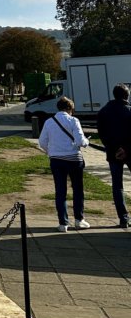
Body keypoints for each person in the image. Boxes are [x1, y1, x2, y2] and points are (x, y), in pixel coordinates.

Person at [38, 96, 91, 232]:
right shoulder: (73, 121)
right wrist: (86, 142)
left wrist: (51, 152)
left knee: (60, 191)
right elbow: (80, 141)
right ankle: (79, 219)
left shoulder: (49, 122)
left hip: (56, 160)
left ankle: (63, 223)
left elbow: (42, 142)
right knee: (78, 189)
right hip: (74, 159)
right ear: (69, 108)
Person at [96, 83, 131, 227]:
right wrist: (125, 149)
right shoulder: (129, 111)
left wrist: (114, 148)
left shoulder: (104, 111)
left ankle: (123, 218)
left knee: (117, 186)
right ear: (127, 95)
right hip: (129, 151)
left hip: (112, 152)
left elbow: (102, 133)